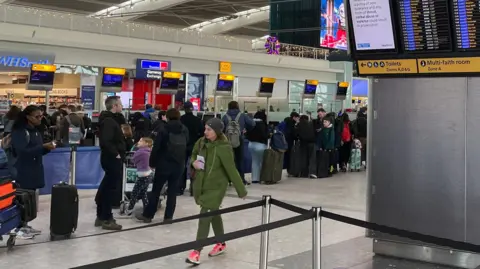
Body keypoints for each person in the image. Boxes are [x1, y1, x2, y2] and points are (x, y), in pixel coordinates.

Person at [186, 118, 247, 265]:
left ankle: (196, 251)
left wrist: (241, 190)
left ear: (217, 132)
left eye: (209, 129)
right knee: (214, 214)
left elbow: (231, 169)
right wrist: (193, 163)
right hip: (201, 185)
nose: (205, 132)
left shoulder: (224, 148)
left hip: (216, 188)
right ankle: (221, 243)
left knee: (205, 216)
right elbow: (193, 155)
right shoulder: (201, 142)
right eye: (205, 128)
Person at [135, 108, 189, 223]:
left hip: (164, 165)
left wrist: (152, 163)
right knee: (172, 191)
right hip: (178, 165)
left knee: (156, 190)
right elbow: (187, 146)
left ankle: (148, 215)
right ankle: (168, 217)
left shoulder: (163, 129)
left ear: (167, 117)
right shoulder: (184, 129)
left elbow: (156, 148)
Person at [11, 105, 56, 238]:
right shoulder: (20, 131)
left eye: (41, 116)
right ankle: (18, 227)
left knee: (29, 198)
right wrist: (42, 146)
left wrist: (47, 148)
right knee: (21, 198)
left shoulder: (35, 131)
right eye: (37, 116)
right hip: (22, 169)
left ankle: (25, 224)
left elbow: (37, 150)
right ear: (28, 117)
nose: (40, 119)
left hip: (34, 167)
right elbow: (22, 151)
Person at [95, 96, 125, 230]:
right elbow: (106, 141)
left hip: (110, 158)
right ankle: (106, 217)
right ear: (115, 106)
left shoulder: (110, 120)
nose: (122, 106)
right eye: (120, 103)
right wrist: (116, 153)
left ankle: (101, 216)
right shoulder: (108, 121)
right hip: (111, 158)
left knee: (106, 186)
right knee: (109, 189)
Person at [221, 101, 255, 185]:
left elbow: (220, 128)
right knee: (240, 160)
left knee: (229, 160)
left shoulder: (225, 116)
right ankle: (241, 180)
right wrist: (246, 130)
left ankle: (228, 179)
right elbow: (253, 124)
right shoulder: (242, 115)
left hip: (227, 141)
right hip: (239, 139)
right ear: (237, 107)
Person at [119, 137, 153, 217]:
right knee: (143, 193)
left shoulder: (140, 152)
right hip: (149, 174)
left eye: (141, 141)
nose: (138, 142)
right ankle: (147, 210)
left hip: (142, 175)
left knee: (134, 193)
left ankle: (129, 209)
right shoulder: (150, 151)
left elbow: (133, 160)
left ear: (146, 143)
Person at [179, 101, 204, 195]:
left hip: (183, 146)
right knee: (196, 166)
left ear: (184, 109)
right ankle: (194, 188)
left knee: (182, 166)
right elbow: (202, 133)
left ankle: (180, 187)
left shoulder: (181, 120)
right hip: (195, 146)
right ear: (192, 109)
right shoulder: (198, 120)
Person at [245, 111, 269, 183]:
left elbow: (246, 134)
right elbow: (265, 135)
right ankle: (262, 177)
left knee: (255, 162)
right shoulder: (262, 124)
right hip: (260, 145)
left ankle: (255, 179)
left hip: (251, 144)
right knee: (262, 162)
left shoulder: (250, 123)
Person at [2, 106, 20, 179]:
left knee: (9, 156)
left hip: (7, 136)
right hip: (15, 137)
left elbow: (4, 126)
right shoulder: (19, 119)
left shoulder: (6, 117)